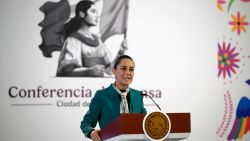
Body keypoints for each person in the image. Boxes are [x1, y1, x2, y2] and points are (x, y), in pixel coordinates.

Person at [80, 55, 147, 141]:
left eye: (131, 69)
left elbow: (145, 122)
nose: (128, 73)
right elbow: (86, 123)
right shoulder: (101, 95)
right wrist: (91, 132)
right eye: (123, 68)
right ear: (114, 71)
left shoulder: (138, 95)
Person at [56, 0, 127, 77]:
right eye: (93, 11)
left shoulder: (97, 40)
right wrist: (88, 71)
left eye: (96, 12)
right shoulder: (73, 40)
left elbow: (109, 70)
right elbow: (67, 71)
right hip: (80, 88)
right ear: (82, 14)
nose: (97, 16)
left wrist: (120, 53)